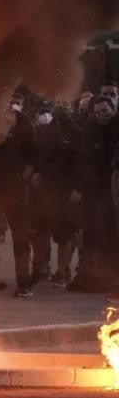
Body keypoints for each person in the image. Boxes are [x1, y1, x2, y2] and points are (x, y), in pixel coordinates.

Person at [0, 93, 39, 297]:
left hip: (16, 189)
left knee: (20, 236)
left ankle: (24, 283)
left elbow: (34, 156)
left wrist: (23, 178)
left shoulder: (22, 122)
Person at [32, 102, 84, 287]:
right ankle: (41, 267)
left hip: (66, 191)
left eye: (64, 105)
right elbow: (36, 154)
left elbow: (81, 163)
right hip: (44, 189)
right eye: (58, 104)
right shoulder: (44, 131)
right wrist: (35, 172)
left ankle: (62, 271)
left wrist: (78, 188)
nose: (60, 108)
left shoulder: (76, 132)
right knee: (40, 230)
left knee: (64, 234)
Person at [70, 94, 119, 292]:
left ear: (113, 110)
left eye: (105, 111)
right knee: (89, 233)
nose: (102, 116)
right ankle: (88, 276)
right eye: (98, 112)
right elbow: (85, 162)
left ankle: (109, 279)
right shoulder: (90, 129)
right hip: (93, 190)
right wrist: (80, 188)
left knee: (108, 237)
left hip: (112, 190)